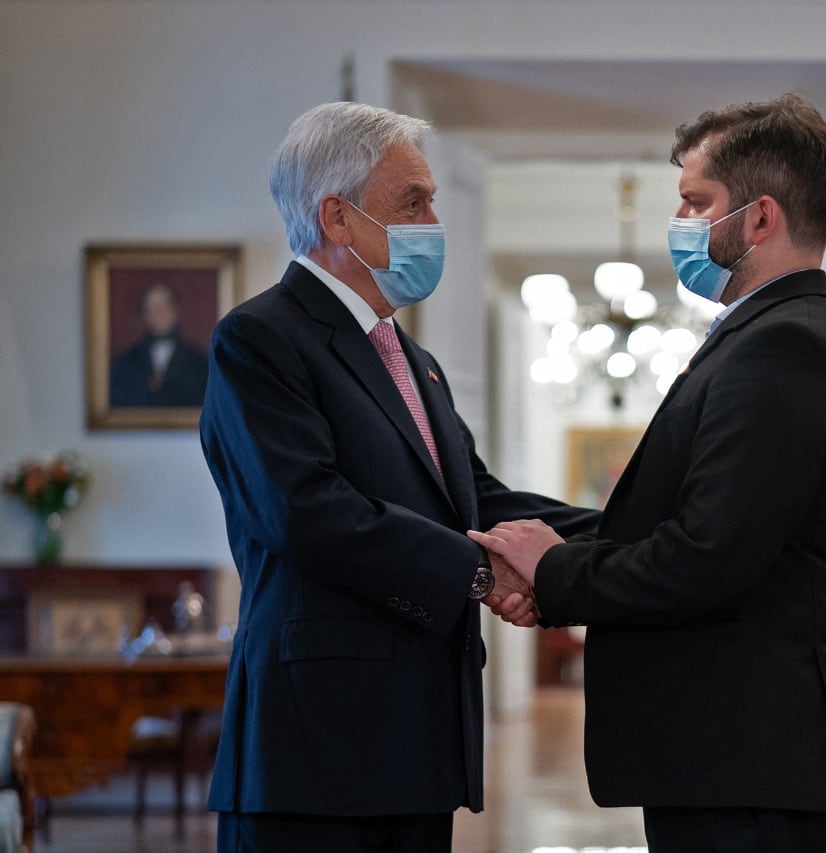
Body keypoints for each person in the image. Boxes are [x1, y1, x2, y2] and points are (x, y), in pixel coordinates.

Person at [471, 93, 826, 853]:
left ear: (759, 218)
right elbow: (667, 527)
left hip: (751, 755)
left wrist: (556, 574)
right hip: (731, 752)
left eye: (696, 202)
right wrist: (530, 537)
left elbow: (704, 557)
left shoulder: (785, 347)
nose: (682, 222)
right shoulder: (764, 335)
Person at [199, 101, 598, 853]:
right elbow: (306, 510)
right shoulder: (259, 339)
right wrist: (481, 572)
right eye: (411, 202)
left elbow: (477, 500)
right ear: (338, 218)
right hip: (313, 752)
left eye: (431, 202)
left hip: (414, 745)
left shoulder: (417, 363)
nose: (431, 222)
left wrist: (630, 527)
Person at [109, 281, 209, 407]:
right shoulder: (126, 362)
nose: (160, 313)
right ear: (145, 315)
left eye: (165, 306)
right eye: (153, 307)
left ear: (177, 311)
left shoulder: (199, 362)